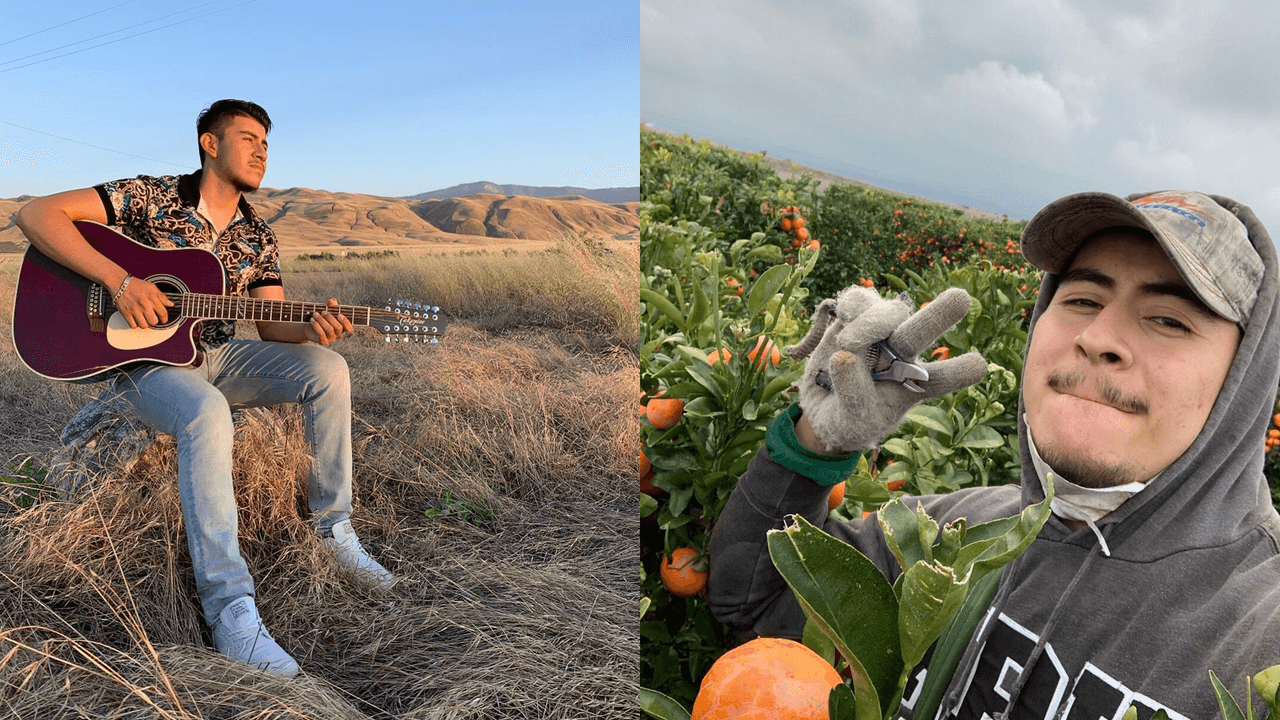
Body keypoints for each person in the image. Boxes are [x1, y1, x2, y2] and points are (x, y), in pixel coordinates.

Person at [706, 190, 1280, 718]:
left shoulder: (1258, 635)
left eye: (1167, 319)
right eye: (1082, 298)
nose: (1100, 337)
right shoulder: (951, 535)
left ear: (1245, 379)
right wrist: (819, 437)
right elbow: (757, 608)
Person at [15, 99, 395, 677]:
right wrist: (121, 282)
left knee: (327, 368)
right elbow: (37, 214)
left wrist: (316, 326)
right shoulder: (150, 196)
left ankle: (333, 528)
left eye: (267, 142)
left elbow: (272, 325)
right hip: (139, 365)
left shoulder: (256, 236)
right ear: (209, 144)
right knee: (206, 411)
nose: (262, 150)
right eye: (248, 138)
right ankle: (230, 609)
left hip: (216, 352)